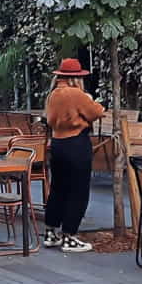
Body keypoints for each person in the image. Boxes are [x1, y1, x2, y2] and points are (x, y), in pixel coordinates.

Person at [42, 58, 105, 253]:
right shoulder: (76, 94)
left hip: (58, 144)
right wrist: (94, 102)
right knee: (78, 191)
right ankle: (69, 236)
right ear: (76, 78)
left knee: (58, 189)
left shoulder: (53, 94)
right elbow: (95, 112)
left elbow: (49, 119)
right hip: (76, 144)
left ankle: (50, 232)